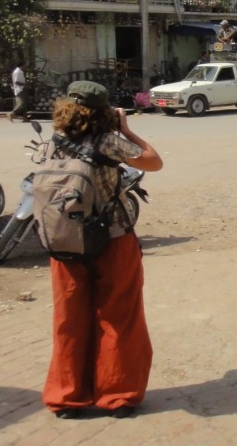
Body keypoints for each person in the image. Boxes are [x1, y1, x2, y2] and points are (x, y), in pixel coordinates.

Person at [42, 80, 163, 420]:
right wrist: (127, 130)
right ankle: (118, 395)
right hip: (112, 238)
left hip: (65, 239)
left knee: (69, 319)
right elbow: (153, 162)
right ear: (103, 110)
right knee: (119, 316)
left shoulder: (54, 141)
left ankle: (66, 397)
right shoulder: (108, 141)